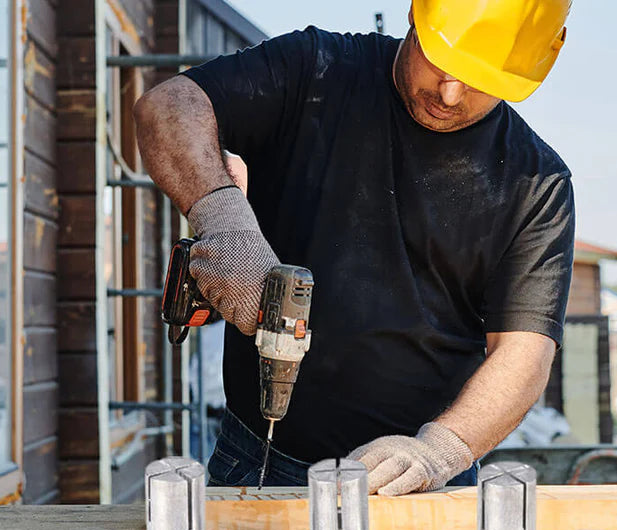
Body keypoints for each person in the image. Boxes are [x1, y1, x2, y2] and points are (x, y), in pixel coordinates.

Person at [134, 0, 575, 495]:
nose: (450, 93)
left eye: (480, 79)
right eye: (442, 62)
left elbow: (524, 354)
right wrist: (222, 218)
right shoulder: (316, 71)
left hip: (415, 480)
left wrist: (440, 451)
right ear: (416, 14)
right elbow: (170, 106)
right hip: (257, 458)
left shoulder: (536, 183)